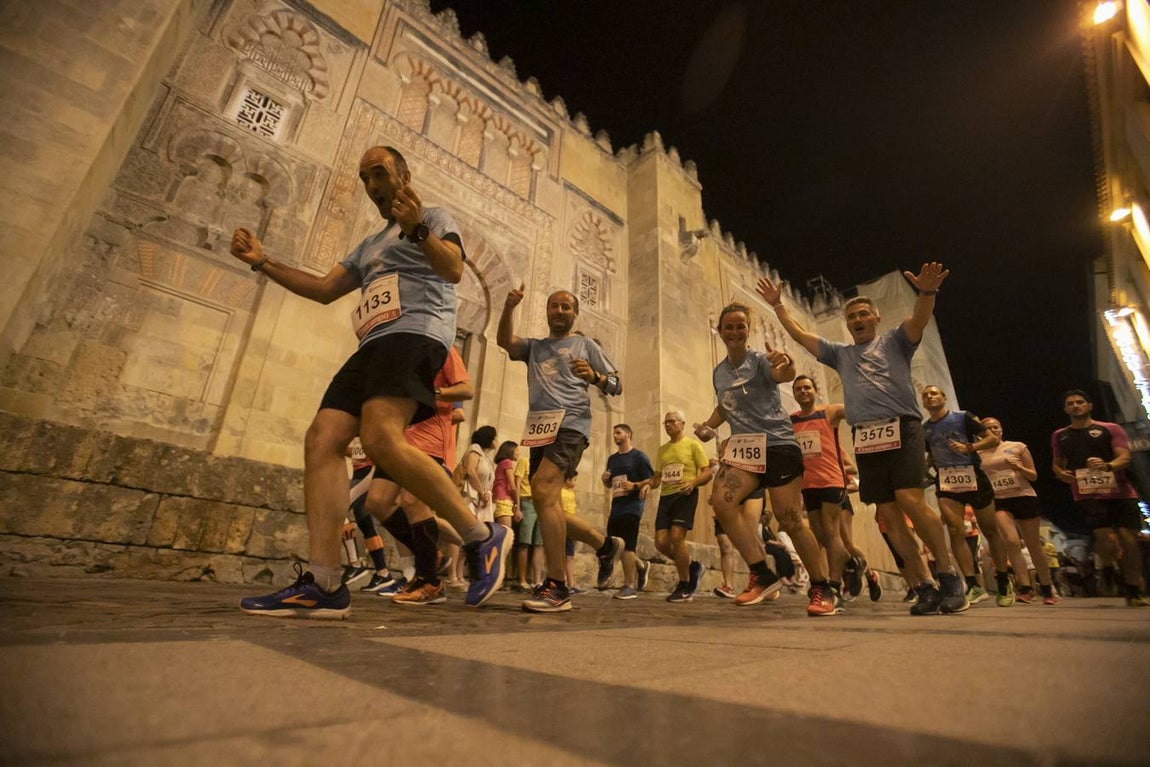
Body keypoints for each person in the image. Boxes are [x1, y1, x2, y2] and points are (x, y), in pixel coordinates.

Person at [235, 145, 509, 617]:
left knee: (381, 439)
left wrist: (418, 228)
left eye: (379, 173)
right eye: (365, 178)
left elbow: (454, 269)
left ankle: (480, 536)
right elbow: (324, 290)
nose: (372, 185)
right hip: (371, 345)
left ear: (403, 174)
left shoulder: (435, 217)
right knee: (322, 439)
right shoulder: (368, 245)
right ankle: (322, 583)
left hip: (415, 333)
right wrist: (263, 262)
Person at [758, 264, 967, 615]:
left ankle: (949, 576)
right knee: (888, 514)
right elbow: (798, 336)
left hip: (902, 428)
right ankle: (925, 584)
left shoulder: (896, 341)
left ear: (876, 317)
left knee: (911, 501)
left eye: (863, 314)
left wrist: (928, 293)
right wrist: (778, 305)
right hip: (867, 439)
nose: (857, 319)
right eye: (852, 315)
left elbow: (918, 320)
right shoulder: (840, 354)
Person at [695, 302, 836, 615]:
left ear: (748, 331)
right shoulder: (719, 372)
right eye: (728, 326)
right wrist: (708, 427)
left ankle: (821, 586)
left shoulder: (760, 360)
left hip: (779, 445)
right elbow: (725, 406)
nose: (734, 331)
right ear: (719, 332)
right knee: (721, 502)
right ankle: (762, 574)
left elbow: (782, 374)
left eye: (740, 326)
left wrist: (785, 364)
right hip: (745, 449)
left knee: (789, 521)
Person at [498, 285, 624, 612]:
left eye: (566, 307)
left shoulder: (585, 344)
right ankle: (605, 544)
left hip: (571, 426)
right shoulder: (535, 347)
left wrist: (595, 376)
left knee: (540, 491)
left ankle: (556, 585)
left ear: (574, 313)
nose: (559, 311)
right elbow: (505, 342)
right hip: (540, 429)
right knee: (549, 504)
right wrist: (509, 307)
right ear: (547, 311)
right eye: (554, 306)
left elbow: (616, 383)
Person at [921, 385, 1029, 607]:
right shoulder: (925, 429)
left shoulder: (963, 417)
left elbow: (991, 440)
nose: (929, 396)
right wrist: (925, 471)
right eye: (925, 395)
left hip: (974, 477)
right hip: (947, 481)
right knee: (954, 530)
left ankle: (1002, 580)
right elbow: (931, 453)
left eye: (934, 393)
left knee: (990, 530)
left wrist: (969, 447)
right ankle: (973, 585)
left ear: (944, 397)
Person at [1052, 390, 1149, 607]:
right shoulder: (1060, 435)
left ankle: (1134, 589)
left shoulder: (1110, 429)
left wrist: (1108, 466)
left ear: (1089, 405)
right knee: (1107, 539)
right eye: (1070, 403)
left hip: (1121, 492)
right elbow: (1057, 463)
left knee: (1129, 539)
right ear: (1065, 409)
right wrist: (1061, 473)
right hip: (1088, 494)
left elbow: (1124, 456)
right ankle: (1107, 565)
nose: (1076, 406)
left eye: (1080, 402)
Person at [979, 417, 1060, 605]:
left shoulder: (1017, 447)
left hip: (1024, 496)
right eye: (987, 428)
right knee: (1011, 542)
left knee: (1033, 545)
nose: (992, 430)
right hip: (999, 500)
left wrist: (1019, 467)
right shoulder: (979, 453)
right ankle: (1025, 587)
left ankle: (1047, 588)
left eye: (995, 427)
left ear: (1001, 429)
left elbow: (1033, 475)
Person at [789, 375, 852, 609]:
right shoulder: (791, 420)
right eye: (798, 389)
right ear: (794, 394)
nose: (803, 391)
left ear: (816, 391)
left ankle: (834, 585)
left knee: (831, 532)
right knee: (819, 536)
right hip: (808, 484)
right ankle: (837, 572)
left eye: (807, 387)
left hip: (831, 480)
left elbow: (857, 408)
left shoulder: (830, 412)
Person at [649, 410, 712, 602]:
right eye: (665, 422)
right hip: (666, 497)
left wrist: (692, 483)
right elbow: (657, 479)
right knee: (660, 543)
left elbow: (707, 473)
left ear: (682, 424)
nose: (668, 425)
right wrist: (643, 485)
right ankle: (692, 566)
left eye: (672, 421)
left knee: (677, 537)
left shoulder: (693, 445)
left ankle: (684, 584)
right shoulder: (662, 450)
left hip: (685, 495)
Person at [600, 423, 654, 599]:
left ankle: (629, 585)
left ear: (628, 434)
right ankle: (641, 566)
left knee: (628, 545)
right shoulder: (612, 459)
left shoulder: (639, 457)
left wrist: (636, 485)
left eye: (618, 432)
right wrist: (605, 480)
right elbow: (610, 484)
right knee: (617, 545)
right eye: (614, 433)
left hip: (632, 506)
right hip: (616, 506)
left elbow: (651, 480)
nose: (615, 436)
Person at [513, 453, 543, 590]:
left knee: (539, 544)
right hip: (527, 502)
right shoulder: (525, 460)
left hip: (541, 504)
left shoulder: (544, 466)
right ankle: (522, 579)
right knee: (524, 542)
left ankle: (537, 580)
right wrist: (517, 507)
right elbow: (517, 484)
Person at [461, 426, 497, 525]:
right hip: (469, 495)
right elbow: (470, 470)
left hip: (480, 500)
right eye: (495, 438)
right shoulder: (475, 448)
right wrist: (482, 492)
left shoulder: (487, 458)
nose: (497, 441)